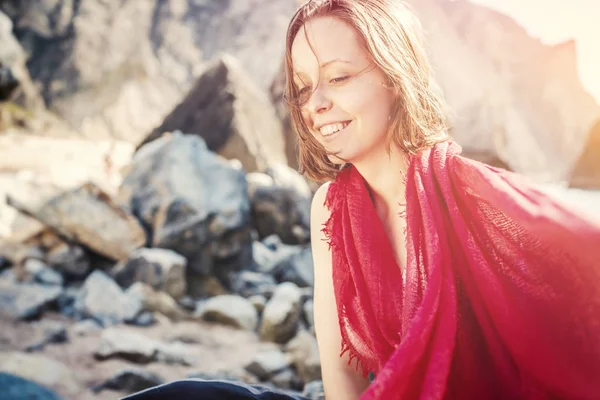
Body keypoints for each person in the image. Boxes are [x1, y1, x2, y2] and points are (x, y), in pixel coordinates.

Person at [123, 0, 600, 399]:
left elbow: (579, 253)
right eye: (304, 87)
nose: (315, 104)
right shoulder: (330, 207)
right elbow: (343, 378)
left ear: (394, 77)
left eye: (339, 77)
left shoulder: (473, 196)